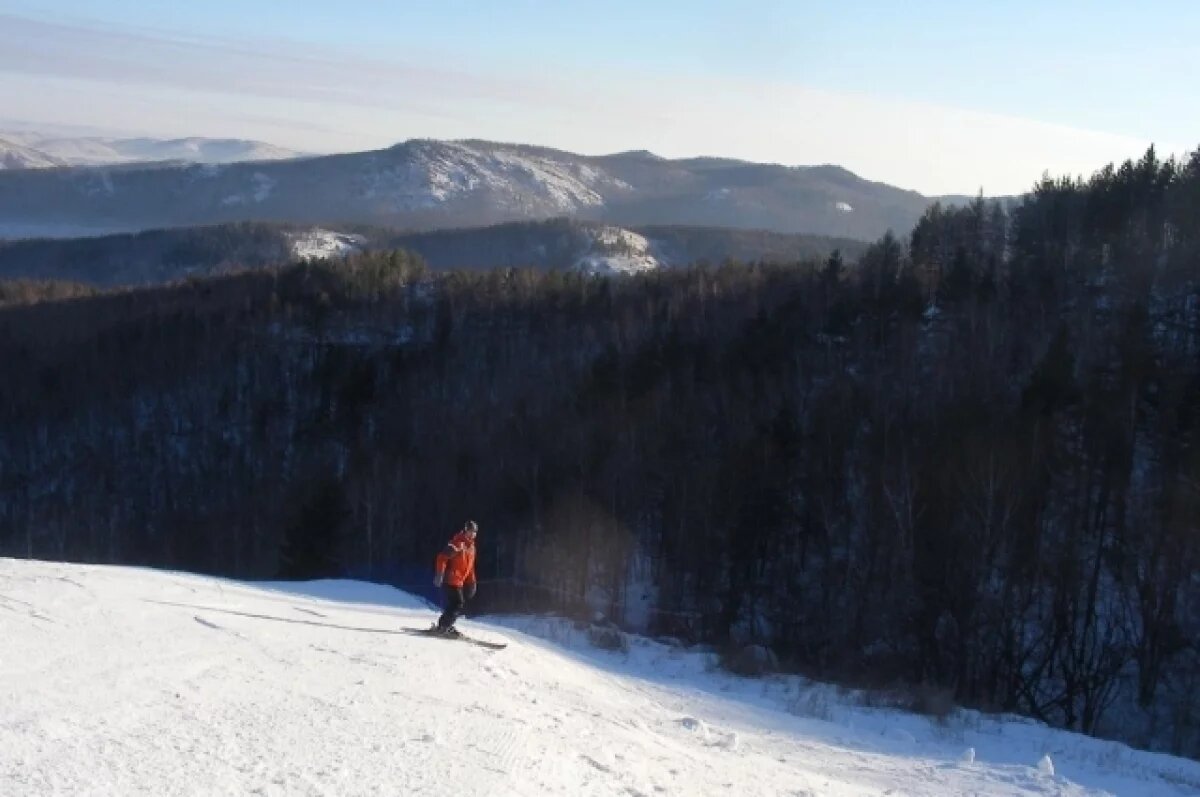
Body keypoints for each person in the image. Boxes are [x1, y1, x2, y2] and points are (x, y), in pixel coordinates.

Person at [432, 520, 478, 636]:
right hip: (450, 578)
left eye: (474, 532)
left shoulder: (472, 548)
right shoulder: (458, 543)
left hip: (459, 581)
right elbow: (442, 557)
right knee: (458, 603)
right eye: (470, 531)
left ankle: (445, 625)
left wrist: (472, 582)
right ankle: (444, 626)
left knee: (455, 603)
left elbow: (470, 567)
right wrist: (440, 574)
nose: (472, 534)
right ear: (465, 531)